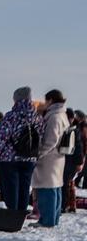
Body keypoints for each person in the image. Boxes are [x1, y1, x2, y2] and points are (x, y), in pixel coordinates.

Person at [0, 87, 42, 214]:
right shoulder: (37, 117)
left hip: (9, 159)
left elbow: (1, 138)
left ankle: (12, 215)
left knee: (11, 189)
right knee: (24, 189)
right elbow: (41, 136)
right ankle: (21, 215)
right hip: (30, 158)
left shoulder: (11, 117)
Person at [32, 89, 71, 227]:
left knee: (46, 189)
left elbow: (51, 139)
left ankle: (47, 221)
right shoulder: (62, 115)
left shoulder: (54, 117)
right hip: (58, 157)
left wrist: (39, 153)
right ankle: (53, 219)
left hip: (49, 158)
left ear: (51, 100)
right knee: (55, 188)